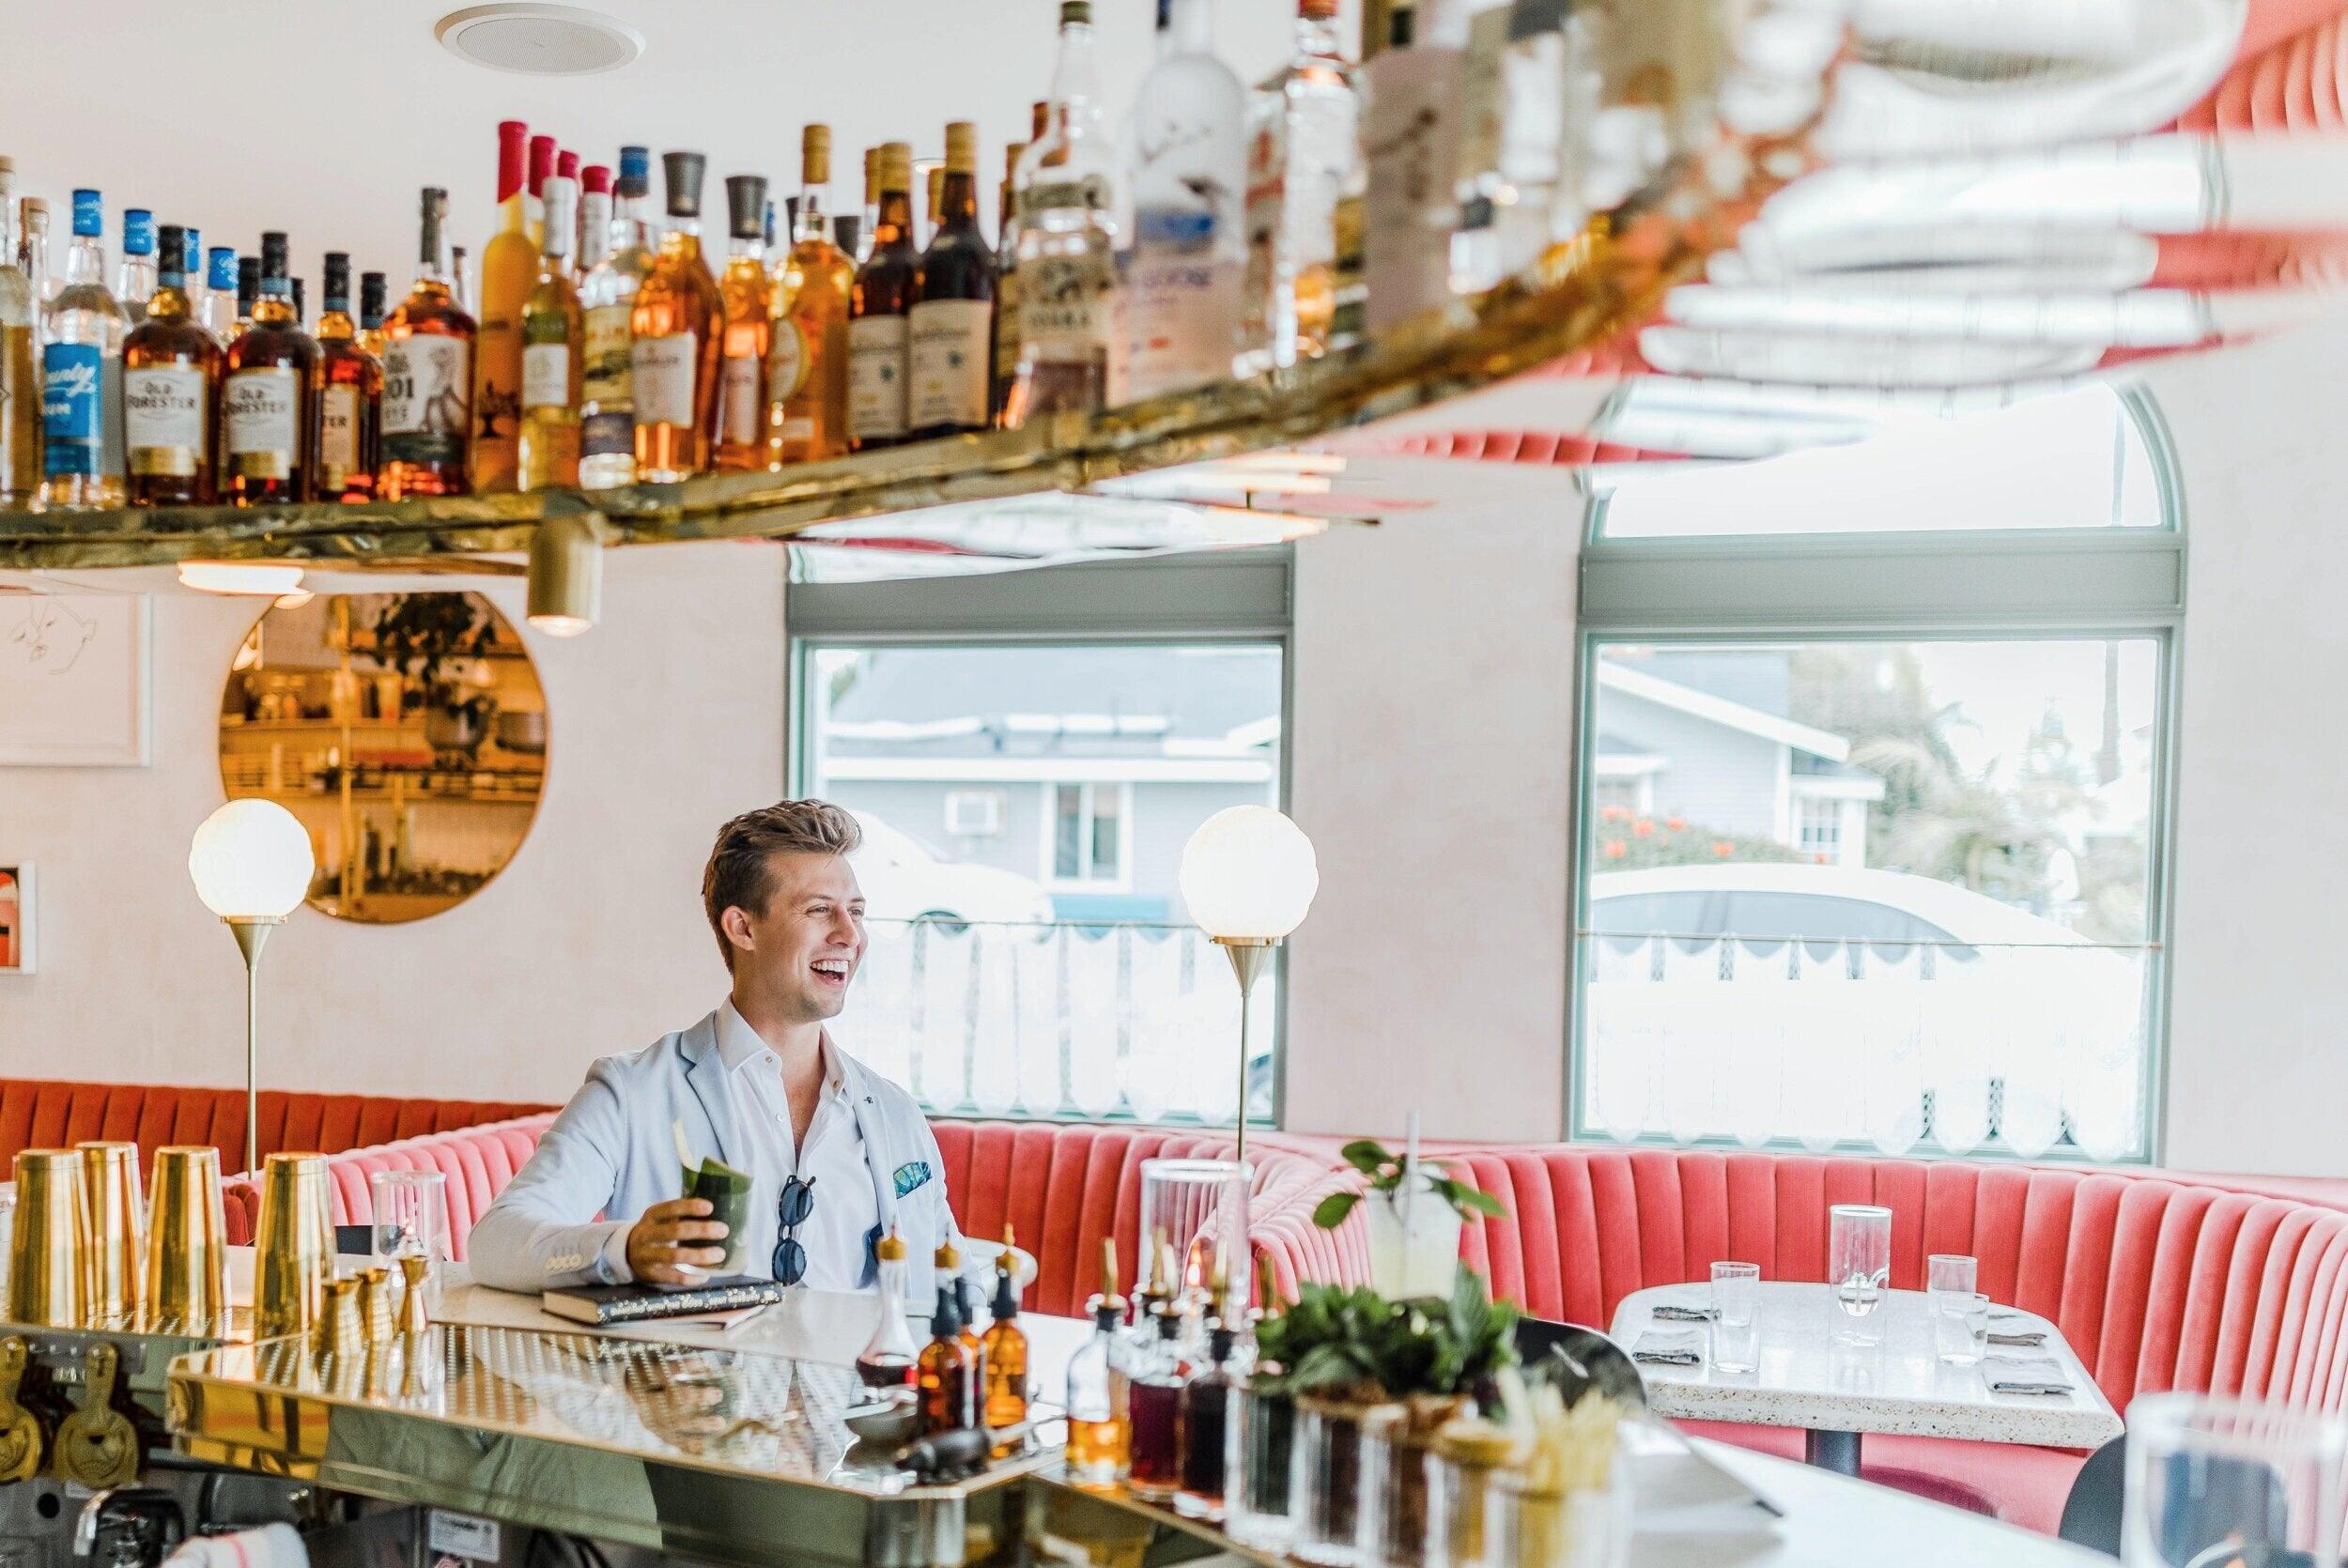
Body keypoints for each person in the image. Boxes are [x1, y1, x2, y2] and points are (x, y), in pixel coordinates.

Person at [469, 800, 963, 1300]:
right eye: (819, 910)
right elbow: (497, 1242)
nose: (850, 935)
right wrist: (626, 1248)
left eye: (856, 912)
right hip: (689, 1378)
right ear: (742, 928)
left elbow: (950, 1280)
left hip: (861, 1378)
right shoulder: (632, 1091)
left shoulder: (895, 1113)